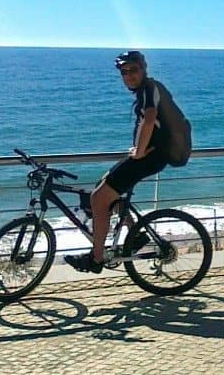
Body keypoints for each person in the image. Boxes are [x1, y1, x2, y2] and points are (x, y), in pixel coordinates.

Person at [64, 51, 172, 274]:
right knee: (104, 188)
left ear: (143, 68)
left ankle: (96, 258)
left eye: (134, 70)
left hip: (150, 157)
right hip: (150, 155)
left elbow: (150, 117)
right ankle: (136, 235)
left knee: (97, 198)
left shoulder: (149, 89)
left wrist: (140, 151)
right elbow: (150, 122)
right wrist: (139, 149)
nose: (129, 75)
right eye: (125, 72)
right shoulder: (147, 90)